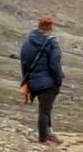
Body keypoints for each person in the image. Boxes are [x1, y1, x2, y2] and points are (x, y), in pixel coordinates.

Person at [19, 13, 65, 144]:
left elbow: (24, 62)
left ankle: (49, 134)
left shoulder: (28, 41)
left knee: (45, 109)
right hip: (48, 83)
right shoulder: (51, 42)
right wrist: (58, 81)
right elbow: (55, 64)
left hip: (33, 81)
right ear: (50, 27)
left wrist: (27, 80)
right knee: (44, 111)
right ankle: (43, 139)